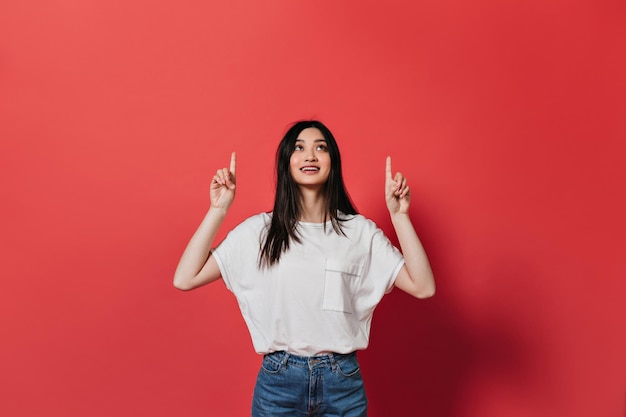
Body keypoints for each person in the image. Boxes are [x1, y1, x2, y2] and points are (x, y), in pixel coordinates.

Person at [173, 120, 435, 416]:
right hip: (279, 383)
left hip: (343, 383)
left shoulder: (359, 232)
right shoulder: (260, 232)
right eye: (299, 148)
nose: (310, 155)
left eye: (320, 148)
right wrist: (218, 209)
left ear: (332, 162)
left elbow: (423, 287)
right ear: (286, 162)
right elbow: (185, 277)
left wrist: (400, 217)